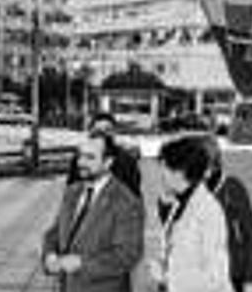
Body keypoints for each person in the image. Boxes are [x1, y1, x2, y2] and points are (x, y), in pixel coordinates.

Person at [42, 130, 145, 292]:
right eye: (80, 156)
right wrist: (49, 254)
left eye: (90, 157)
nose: (81, 162)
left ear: (108, 162)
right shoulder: (72, 191)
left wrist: (81, 263)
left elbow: (127, 255)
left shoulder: (126, 201)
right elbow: (55, 232)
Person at [152, 136, 233, 292]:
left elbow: (216, 277)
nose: (161, 175)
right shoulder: (181, 201)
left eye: (164, 168)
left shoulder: (208, 211)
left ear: (180, 172)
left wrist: (167, 276)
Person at [201, 136, 252, 292]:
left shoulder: (232, 188)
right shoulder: (188, 188)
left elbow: (250, 234)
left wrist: (251, 277)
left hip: (231, 273)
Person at [66, 113, 141, 198]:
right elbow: (70, 191)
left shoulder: (128, 161)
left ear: (114, 132)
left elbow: (134, 195)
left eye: (107, 129)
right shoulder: (79, 159)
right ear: (90, 132)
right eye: (98, 130)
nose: (102, 133)